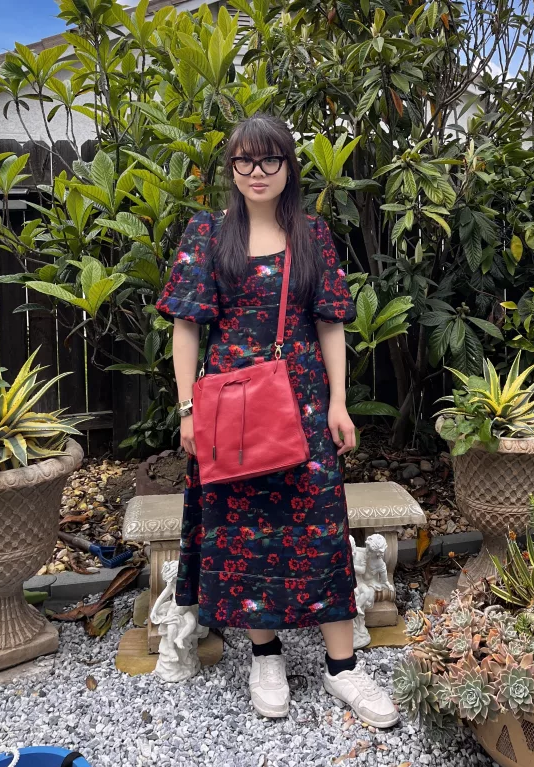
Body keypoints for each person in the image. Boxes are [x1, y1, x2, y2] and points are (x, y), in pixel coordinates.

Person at [156, 112, 399, 728]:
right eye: (244, 161)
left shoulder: (312, 234)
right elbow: (187, 326)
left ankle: (343, 668)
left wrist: (340, 401)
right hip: (232, 408)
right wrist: (187, 408)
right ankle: (266, 656)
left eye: (269, 160)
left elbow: (330, 322)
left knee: (320, 523)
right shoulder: (208, 233)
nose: (256, 173)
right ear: (231, 168)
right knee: (249, 529)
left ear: (288, 167)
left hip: (306, 401)